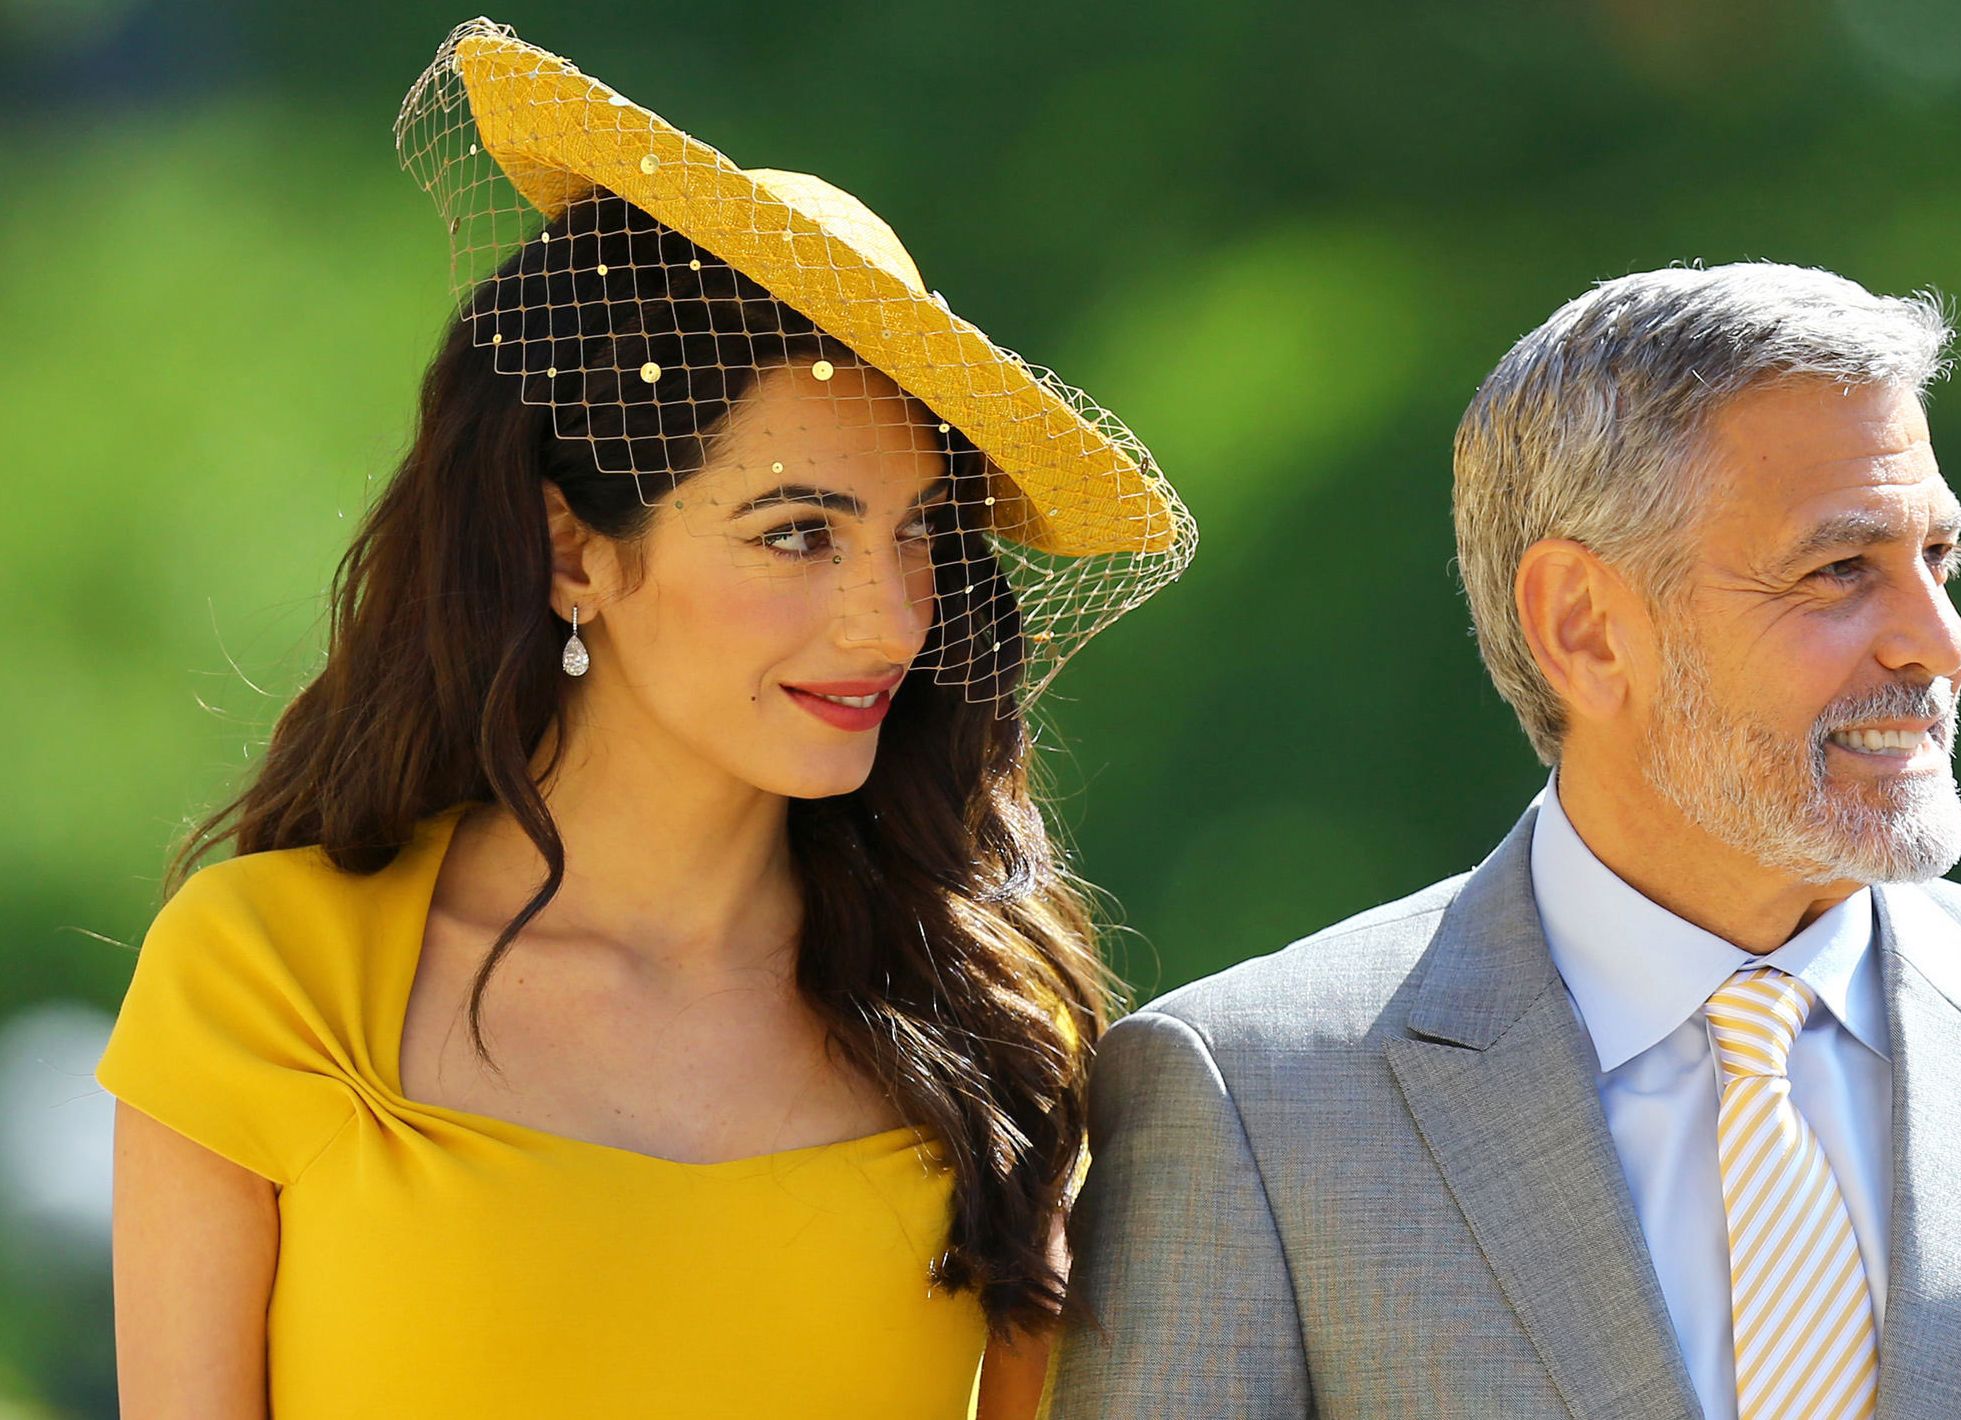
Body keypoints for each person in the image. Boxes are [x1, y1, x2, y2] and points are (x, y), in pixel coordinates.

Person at [1050, 262, 1961, 1418]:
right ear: (1582, 623)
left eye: (1942, 559)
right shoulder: (1252, 1100)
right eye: (1839, 570)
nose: (1937, 641)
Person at [98, 19, 1190, 1419]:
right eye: (799, 534)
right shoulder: (268, 979)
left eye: (920, 535)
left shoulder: (986, 1023)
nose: (891, 619)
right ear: (572, 554)